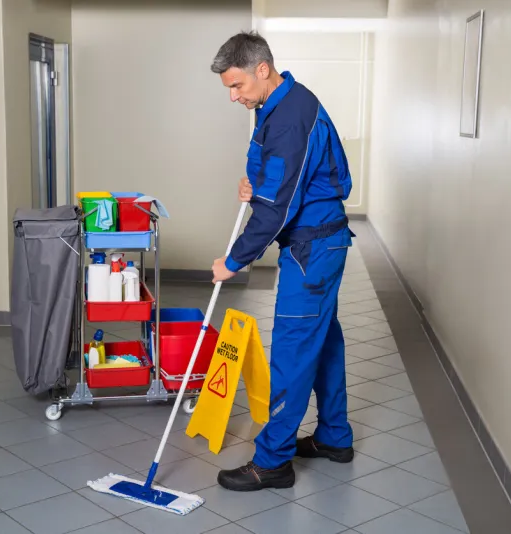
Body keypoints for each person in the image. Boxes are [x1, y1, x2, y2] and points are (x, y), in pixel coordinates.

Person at [209, 31, 356, 491]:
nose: (234, 97)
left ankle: (272, 461)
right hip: (320, 242)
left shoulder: (291, 117)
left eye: (237, 86)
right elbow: (280, 179)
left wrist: (233, 261)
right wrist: (253, 185)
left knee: (292, 351)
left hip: (311, 250)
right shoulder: (278, 106)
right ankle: (334, 437)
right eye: (229, 89)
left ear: (262, 69)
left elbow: (278, 207)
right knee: (324, 341)